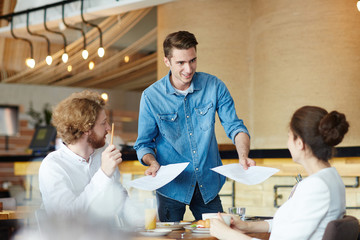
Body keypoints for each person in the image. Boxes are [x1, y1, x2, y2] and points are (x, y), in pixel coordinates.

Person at [134, 30, 255, 222]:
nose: (188, 69)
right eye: (180, 63)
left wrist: (243, 155)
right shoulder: (151, 96)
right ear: (167, 61)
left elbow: (235, 127)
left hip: (207, 183)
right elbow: (143, 144)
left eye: (192, 61)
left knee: (217, 234)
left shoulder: (214, 86)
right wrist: (152, 162)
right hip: (171, 187)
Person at [210, 106, 349, 240]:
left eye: (289, 136)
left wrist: (226, 234)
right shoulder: (330, 178)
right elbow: (292, 225)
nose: (288, 143)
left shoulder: (316, 186)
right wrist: (247, 225)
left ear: (299, 143)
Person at [39, 90, 138, 226]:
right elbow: (68, 218)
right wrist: (104, 174)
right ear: (86, 128)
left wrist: (144, 216)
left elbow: (120, 201)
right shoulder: (53, 166)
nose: (108, 128)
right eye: (103, 123)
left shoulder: (103, 153)